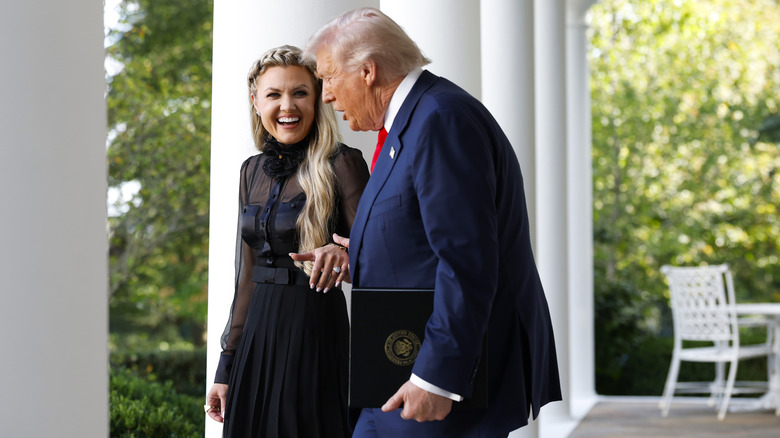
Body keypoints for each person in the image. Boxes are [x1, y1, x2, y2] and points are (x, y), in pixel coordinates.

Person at [300, 8, 562, 437]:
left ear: (367, 71)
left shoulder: (440, 119)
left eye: (328, 78)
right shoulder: (414, 121)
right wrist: (355, 254)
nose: (326, 95)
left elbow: (468, 259)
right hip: (401, 370)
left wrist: (436, 377)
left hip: (435, 382)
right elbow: (423, 236)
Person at [205, 45, 370, 437]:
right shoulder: (251, 171)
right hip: (257, 335)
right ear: (255, 101)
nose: (287, 106)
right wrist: (226, 367)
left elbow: (381, 253)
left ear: (317, 97)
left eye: (299, 92)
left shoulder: (342, 163)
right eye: (274, 94)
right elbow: (245, 276)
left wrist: (344, 251)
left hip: (314, 331)